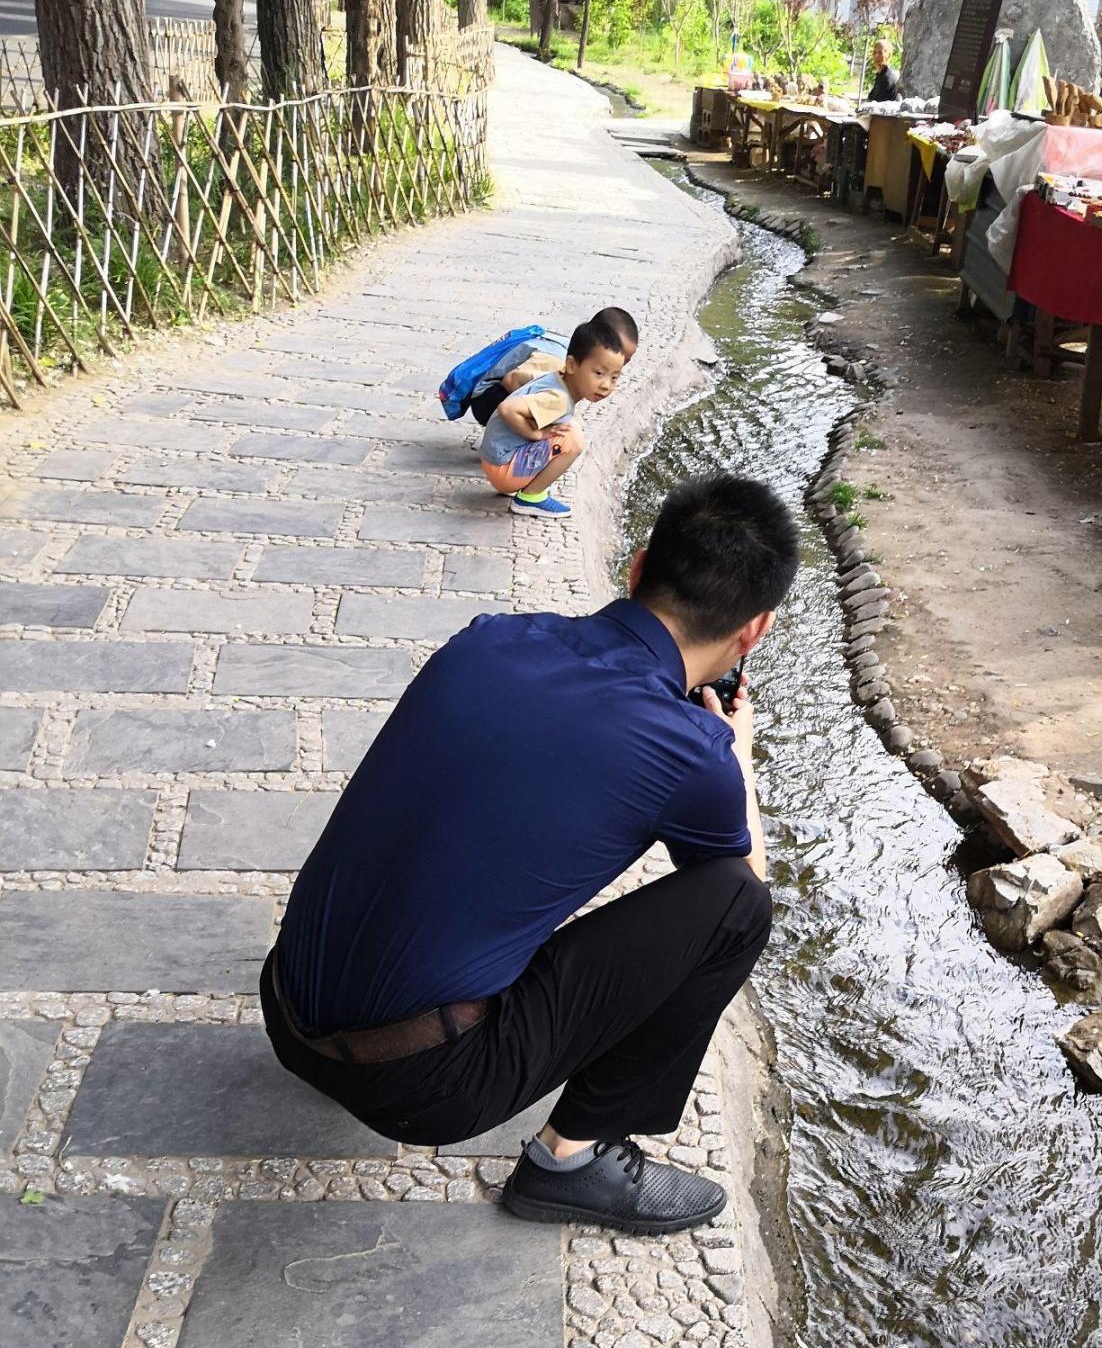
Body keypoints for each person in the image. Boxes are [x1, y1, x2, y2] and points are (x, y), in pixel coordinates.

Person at [262, 475, 799, 1236]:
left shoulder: (488, 638)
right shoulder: (694, 752)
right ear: (755, 632)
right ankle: (570, 1162)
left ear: (638, 567)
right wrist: (735, 757)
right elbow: (741, 881)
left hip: (284, 1010)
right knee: (738, 909)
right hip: (421, 1088)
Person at [477, 318, 626, 519]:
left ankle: (526, 485)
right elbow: (507, 408)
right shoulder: (559, 399)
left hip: (493, 459)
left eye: (614, 377)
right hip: (502, 468)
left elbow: (515, 387)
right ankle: (530, 497)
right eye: (599, 373)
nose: (606, 385)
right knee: (572, 439)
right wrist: (536, 434)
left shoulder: (556, 378)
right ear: (572, 365)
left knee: (565, 428)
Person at [464, 307, 638, 453]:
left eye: (626, 361)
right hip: (487, 398)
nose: (619, 362)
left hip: (500, 395)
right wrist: (536, 423)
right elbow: (511, 380)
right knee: (559, 424)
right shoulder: (556, 361)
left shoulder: (580, 352)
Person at [867, 38, 899, 104]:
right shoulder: (880, 75)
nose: (876, 56)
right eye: (874, 52)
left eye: (880, 52)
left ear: (888, 55)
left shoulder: (888, 78)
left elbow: (878, 102)